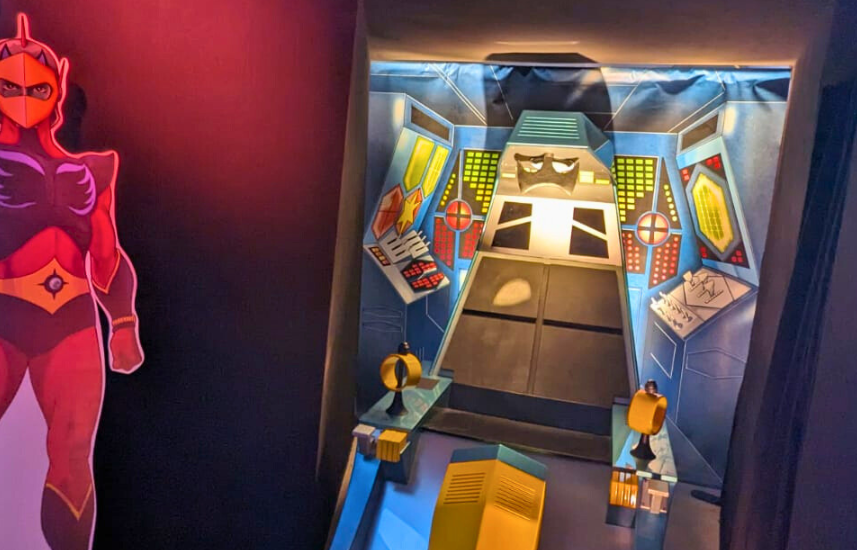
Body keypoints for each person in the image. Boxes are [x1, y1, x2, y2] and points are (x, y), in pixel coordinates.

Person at [0, 14, 143, 550]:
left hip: (73, 324)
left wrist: (123, 321)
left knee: (73, 452)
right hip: (4, 315)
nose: (24, 98)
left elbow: (106, 255)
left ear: (57, 86)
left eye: (36, 88)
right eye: (10, 87)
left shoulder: (94, 170)